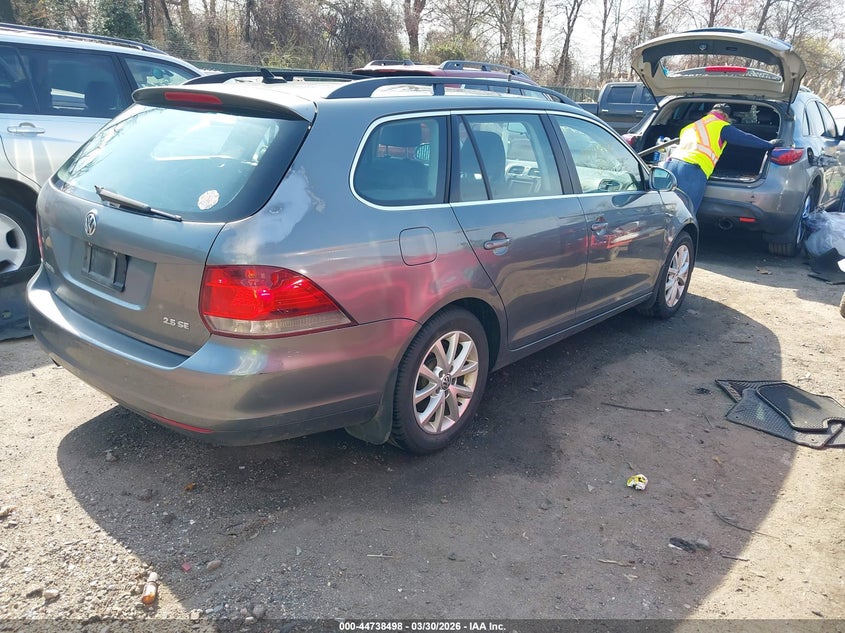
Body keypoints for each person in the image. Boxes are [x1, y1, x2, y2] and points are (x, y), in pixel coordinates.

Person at [664, 103, 780, 215]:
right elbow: (745, 138)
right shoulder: (722, 126)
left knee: (665, 208)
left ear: (710, 113)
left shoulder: (689, 126)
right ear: (726, 116)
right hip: (691, 170)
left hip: (670, 165)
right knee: (686, 213)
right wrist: (768, 145)